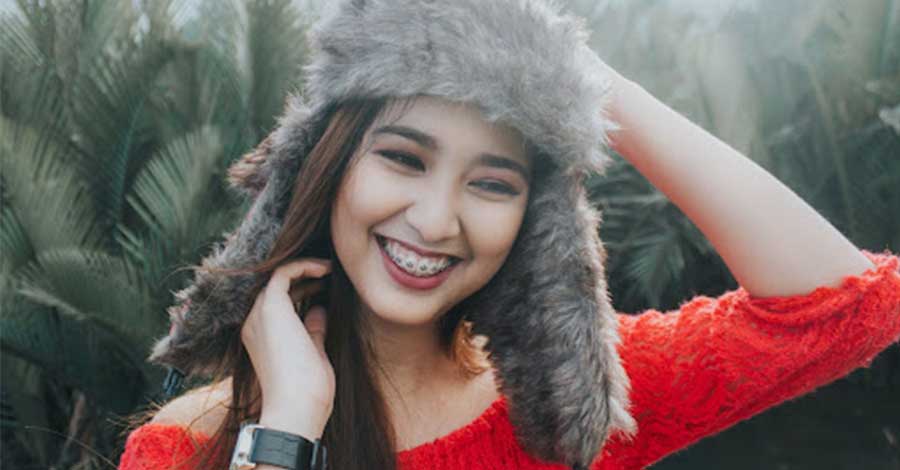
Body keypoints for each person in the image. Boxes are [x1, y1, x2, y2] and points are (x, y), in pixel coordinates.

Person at [118, 1, 900, 469]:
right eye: (403, 158)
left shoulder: (572, 410)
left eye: (493, 182)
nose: (435, 220)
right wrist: (287, 425)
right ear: (326, 167)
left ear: (537, 217)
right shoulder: (187, 448)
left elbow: (848, 305)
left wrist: (576, 76)